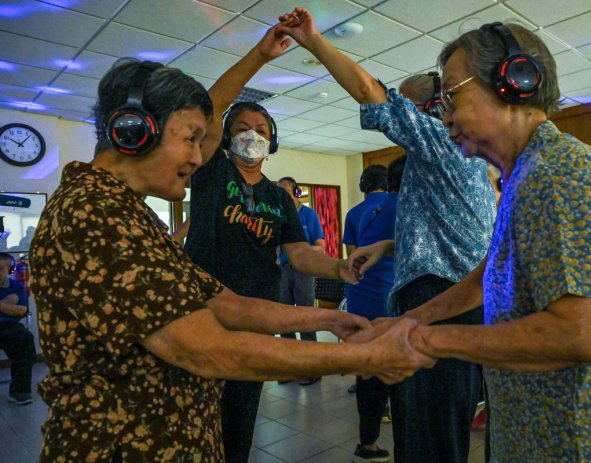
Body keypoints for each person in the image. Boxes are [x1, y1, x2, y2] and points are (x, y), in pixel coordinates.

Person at [28, 28, 434, 463]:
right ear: (135, 131)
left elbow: (225, 303)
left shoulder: (130, 213)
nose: (196, 156)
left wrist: (330, 319)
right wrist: (364, 357)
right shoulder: (95, 212)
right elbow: (204, 347)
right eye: (190, 139)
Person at [347, 20, 591, 462]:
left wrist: (422, 342)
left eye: (452, 97)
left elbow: (582, 332)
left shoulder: (559, 173)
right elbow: (488, 276)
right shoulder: (524, 177)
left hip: (583, 445)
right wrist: (409, 321)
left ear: (513, 82)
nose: (444, 116)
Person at [278, 9, 496, 463]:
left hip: (441, 299)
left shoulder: (440, 142)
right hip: (460, 298)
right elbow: (456, 236)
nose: (404, 116)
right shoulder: (464, 162)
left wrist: (313, 40)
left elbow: (369, 92)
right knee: (426, 427)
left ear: (435, 109)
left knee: (431, 434)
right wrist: (390, 245)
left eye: (411, 107)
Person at [181, 23, 382, 463]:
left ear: (271, 140)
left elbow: (299, 252)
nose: (251, 134)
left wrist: (338, 267)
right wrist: (260, 55)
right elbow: (208, 112)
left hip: (258, 310)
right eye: (241, 127)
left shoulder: (279, 198)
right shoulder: (212, 171)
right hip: (204, 306)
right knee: (195, 413)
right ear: (225, 137)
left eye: (260, 128)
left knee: (240, 413)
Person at [347, 156, 405, 463]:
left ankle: (367, 441)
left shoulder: (358, 212)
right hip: (388, 296)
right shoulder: (406, 209)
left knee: (369, 367)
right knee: (396, 370)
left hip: (360, 294)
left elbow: (353, 256)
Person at [277, 176, 324, 386]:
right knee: (284, 319)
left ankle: (311, 369)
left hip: (304, 271)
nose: (281, 196)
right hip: (282, 271)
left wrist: (300, 252)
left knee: (306, 318)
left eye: (285, 192)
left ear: (296, 193)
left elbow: (320, 247)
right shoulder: (278, 215)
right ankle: (291, 367)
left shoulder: (308, 215)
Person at [0, 252, 35, 405]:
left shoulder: (16, 287)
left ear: (9, 270)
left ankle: (19, 391)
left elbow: (23, 311)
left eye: (1, 268)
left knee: (25, 339)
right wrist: (6, 304)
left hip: (8, 326)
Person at [343, 165, 388, 257]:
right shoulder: (401, 206)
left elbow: (352, 254)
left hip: (366, 264)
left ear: (362, 185)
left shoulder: (352, 214)